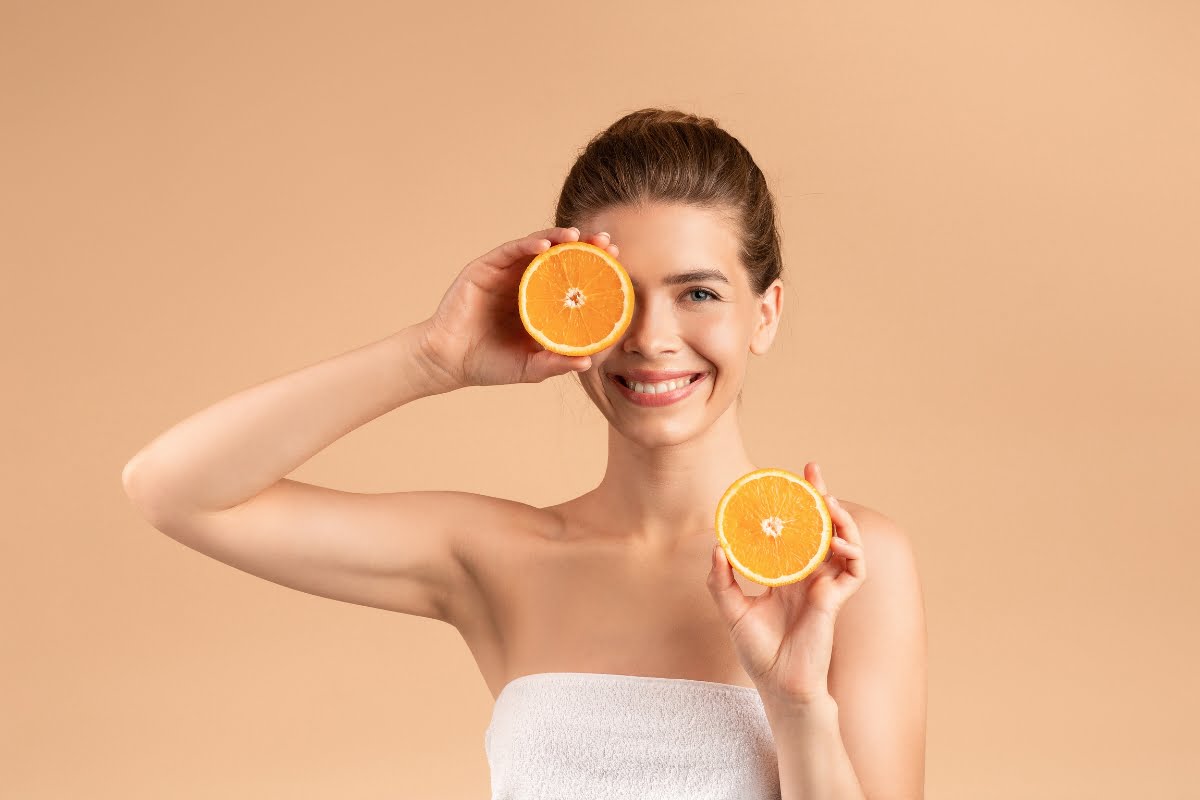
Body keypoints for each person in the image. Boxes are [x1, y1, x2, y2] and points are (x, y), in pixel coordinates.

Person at [122, 108, 927, 800]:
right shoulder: (498, 559)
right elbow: (174, 489)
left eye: (699, 293)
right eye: (619, 296)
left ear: (766, 313)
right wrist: (429, 359)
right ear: (566, 311)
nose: (650, 339)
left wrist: (794, 705)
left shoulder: (842, 565)